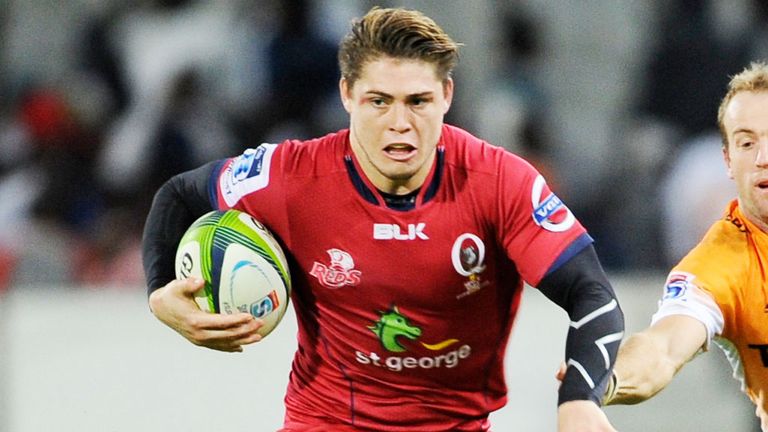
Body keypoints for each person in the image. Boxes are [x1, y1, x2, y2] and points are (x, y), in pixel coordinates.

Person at [142, 7, 624, 431]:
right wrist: (161, 293)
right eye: (379, 101)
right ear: (348, 94)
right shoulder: (291, 176)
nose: (400, 123)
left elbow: (592, 294)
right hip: (325, 421)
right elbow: (179, 194)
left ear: (447, 96)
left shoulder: (498, 182)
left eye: (418, 101)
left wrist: (579, 402)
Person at [592, 61, 768, 431]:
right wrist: (604, 381)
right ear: (728, 161)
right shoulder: (723, 262)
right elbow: (665, 346)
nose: (762, 159)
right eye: (746, 143)